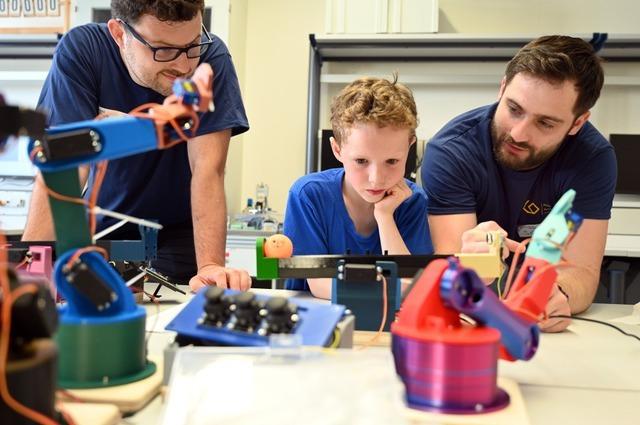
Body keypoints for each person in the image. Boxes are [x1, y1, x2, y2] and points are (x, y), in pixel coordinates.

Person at [22, 0, 251, 292]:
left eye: (192, 45)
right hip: (103, 228)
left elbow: (208, 169)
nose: (184, 66)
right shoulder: (84, 50)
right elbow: (62, 168)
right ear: (120, 34)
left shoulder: (211, 56)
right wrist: (34, 272)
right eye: (163, 50)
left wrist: (209, 266)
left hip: (179, 234)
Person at [421, 35, 616, 332]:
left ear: (578, 123)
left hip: (541, 330)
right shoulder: (451, 152)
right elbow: (453, 273)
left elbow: (583, 272)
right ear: (502, 88)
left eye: (545, 123)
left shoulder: (592, 159)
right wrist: (467, 265)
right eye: (514, 109)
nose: (519, 133)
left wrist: (559, 294)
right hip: (472, 323)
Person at [284, 77, 433, 298]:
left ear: (409, 146)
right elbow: (320, 284)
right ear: (337, 149)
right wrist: (392, 288)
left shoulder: (412, 201)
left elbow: (411, 286)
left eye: (391, 161)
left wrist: (384, 216)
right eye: (361, 161)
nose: (376, 179)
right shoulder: (308, 195)